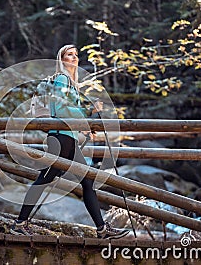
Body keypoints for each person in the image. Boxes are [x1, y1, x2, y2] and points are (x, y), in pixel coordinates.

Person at [10, 45, 129, 239]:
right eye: (69, 55)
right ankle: (20, 223)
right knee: (50, 178)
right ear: (61, 59)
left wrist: (87, 118)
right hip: (61, 138)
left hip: (66, 137)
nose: (74, 58)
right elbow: (60, 107)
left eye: (76, 55)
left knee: (81, 180)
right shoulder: (62, 79)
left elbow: (67, 111)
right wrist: (86, 115)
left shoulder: (71, 83)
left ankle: (102, 229)